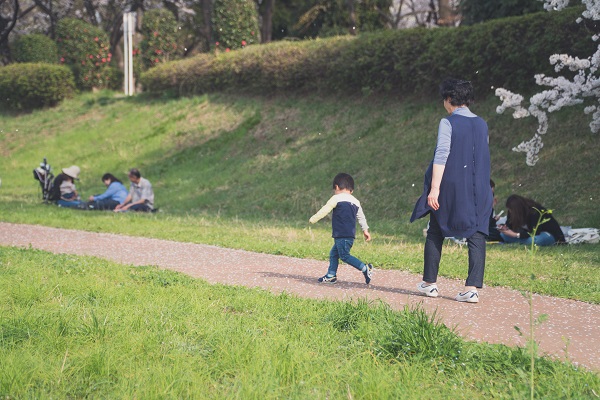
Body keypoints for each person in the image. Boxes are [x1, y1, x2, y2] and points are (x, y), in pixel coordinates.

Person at [410, 78, 493, 304]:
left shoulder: (448, 122)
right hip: (479, 187)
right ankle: (472, 288)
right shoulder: (482, 123)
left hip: (453, 185)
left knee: (436, 228)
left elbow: (442, 154)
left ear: (448, 99)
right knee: (477, 233)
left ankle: (430, 283)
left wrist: (434, 189)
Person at [309, 173, 374, 284]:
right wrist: (365, 230)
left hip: (341, 234)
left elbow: (325, 209)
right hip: (349, 234)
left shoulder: (336, 198)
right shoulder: (356, 201)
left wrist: (314, 218)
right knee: (334, 253)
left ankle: (365, 268)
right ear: (351, 190)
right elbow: (361, 217)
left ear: (337, 187)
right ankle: (331, 275)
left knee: (344, 256)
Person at [498, 194, 565, 246]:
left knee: (537, 240)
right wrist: (505, 228)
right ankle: (524, 242)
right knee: (503, 235)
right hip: (526, 236)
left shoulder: (534, 212)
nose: (510, 212)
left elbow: (535, 232)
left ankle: (521, 242)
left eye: (511, 210)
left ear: (517, 210)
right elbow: (509, 225)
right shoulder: (511, 212)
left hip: (546, 234)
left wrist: (516, 235)